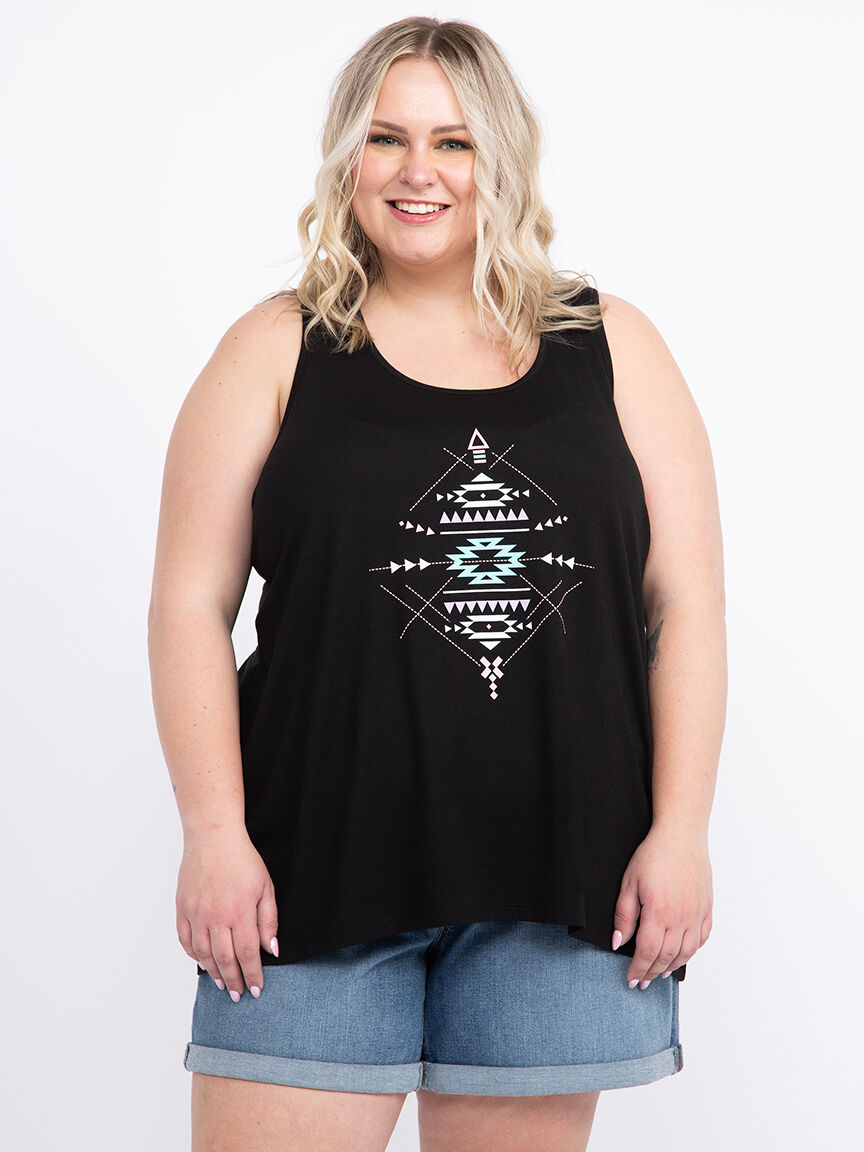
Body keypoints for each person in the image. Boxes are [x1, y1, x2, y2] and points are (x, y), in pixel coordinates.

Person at [147, 16, 725, 1152]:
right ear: (346, 158)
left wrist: (683, 828)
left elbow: (687, 607)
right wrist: (212, 831)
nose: (420, 172)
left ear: (498, 157)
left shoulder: (613, 346)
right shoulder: (275, 347)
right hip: (308, 879)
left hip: (563, 886)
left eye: (454, 142)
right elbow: (188, 604)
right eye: (388, 138)